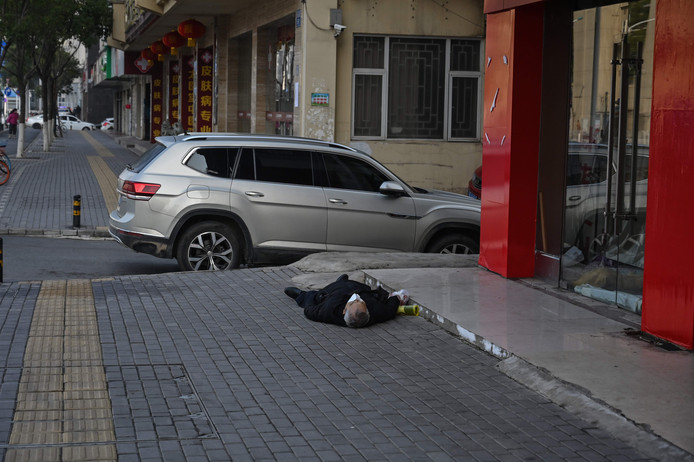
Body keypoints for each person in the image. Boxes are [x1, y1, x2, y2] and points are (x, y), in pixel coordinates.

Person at [284, 274, 402, 328]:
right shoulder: (375, 311)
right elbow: (390, 308)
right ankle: (340, 282)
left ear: (344, 310)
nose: (357, 298)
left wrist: (304, 298)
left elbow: (309, 310)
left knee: (312, 297)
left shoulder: (329, 310)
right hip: (352, 286)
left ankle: (299, 294)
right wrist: (396, 297)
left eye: (355, 301)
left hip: (331, 293)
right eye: (360, 301)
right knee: (345, 284)